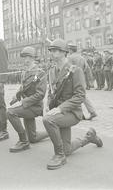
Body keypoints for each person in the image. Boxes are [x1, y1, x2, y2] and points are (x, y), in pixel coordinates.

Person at [43, 38, 103, 170]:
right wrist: (48, 105)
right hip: (59, 112)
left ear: (64, 52)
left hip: (72, 113)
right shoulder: (52, 71)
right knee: (67, 149)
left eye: (56, 50)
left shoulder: (75, 70)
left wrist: (60, 108)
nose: (52, 53)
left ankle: (59, 156)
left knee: (48, 120)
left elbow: (80, 96)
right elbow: (52, 91)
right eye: (51, 50)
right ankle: (89, 137)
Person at [7, 46, 48, 152]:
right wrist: (17, 96)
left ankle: (23, 141)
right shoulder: (25, 72)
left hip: (35, 106)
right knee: (33, 138)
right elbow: (23, 87)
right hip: (28, 106)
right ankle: (53, 131)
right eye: (24, 57)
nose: (26, 59)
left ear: (33, 57)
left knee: (10, 113)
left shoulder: (40, 73)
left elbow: (40, 94)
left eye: (28, 57)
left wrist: (24, 102)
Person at [67, 44, 97, 120]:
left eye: (69, 50)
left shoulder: (70, 58)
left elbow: (69, 68)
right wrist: (90, 79)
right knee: (82, 95)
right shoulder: (82, 58)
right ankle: (91, 112)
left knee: (74, 96)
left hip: (73, 79)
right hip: (82, 78)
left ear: (70, 50)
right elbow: (87, 68)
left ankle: (80, 114)